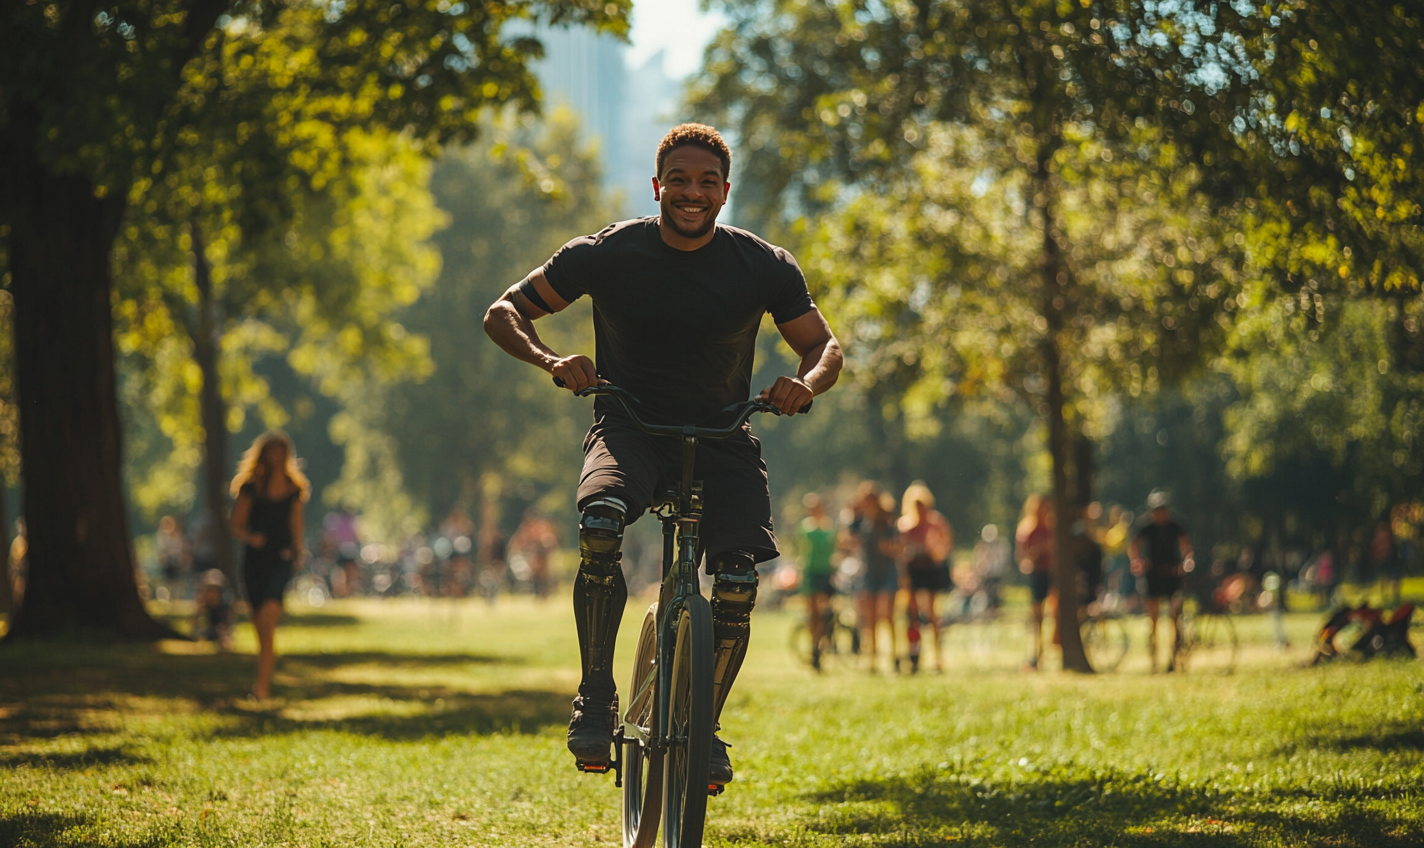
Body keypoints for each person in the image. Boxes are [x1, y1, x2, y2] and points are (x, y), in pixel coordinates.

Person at [482, 123, 842, 786]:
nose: (692, 192)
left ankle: (703, 727)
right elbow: (504, 312)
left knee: (736, 582)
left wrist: (804, 383)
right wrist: (551, 359)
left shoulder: (762, 264)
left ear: (725, 192)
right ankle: (595, 694)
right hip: (629, 427)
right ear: (657, 186)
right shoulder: (607, 253)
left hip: (724, 435)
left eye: (707, 182)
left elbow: (824, 346)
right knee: (599, 526)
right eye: (679, 179)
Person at [230, 430, 309, 700]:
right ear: (263, 454)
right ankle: (261, 680)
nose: (276, 456)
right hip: (255, 561)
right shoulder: (250, 487)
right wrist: (252, 538)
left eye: (281, 451)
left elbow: (296, 525)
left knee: (269, 615)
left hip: (281, 560)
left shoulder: (294, 489)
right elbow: (236, 526)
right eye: (272, 451)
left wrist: (298, 552)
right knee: (260, 626)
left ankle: (261, 688)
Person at [1129, 490, 1194, 673]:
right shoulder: (1146, 527)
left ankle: (1174, 658)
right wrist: (1137, 562)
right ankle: (1154, 661)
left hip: (1172, 575)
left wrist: (1187, 562)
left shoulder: (1175, 525)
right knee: (1154, 620)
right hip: (1153, 576)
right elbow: (1133, 545)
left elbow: (1187, 547)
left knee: (1175, 617)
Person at [898, 481, 952, 673]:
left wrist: (934, 550)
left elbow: (946, 544)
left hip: (930, 570)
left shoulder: (936, 523)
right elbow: (900, 551)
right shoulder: (905, 524)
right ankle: (914, 655)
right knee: (912, 616)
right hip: (913, 572)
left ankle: (938, 657)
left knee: (932, 614)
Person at [849, 483, 901, 673]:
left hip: (887, 571)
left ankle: (895, 655)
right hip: (868, 572)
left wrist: (886, 547)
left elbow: (898, 548)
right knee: (869, 618)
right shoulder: (860, 521)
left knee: (887, 615)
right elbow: (849, 539)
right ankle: (872, 659)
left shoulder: (887, 520)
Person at [797, 493, 837, 671]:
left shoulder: (830, 527)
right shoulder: (805, 527)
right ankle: (814, 647)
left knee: (823, 612)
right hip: (811, 572)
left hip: (825, 572)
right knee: (812, 614)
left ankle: (821, 641)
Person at [1016, 494, 1054, 671]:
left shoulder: (1052, 528)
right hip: (1038, 575)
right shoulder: (1027, 530)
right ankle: (1037, 655)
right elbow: (1023, 558)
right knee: (1037, 617)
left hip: (1053, 574)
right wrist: (1037, 552)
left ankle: (1053, 648)